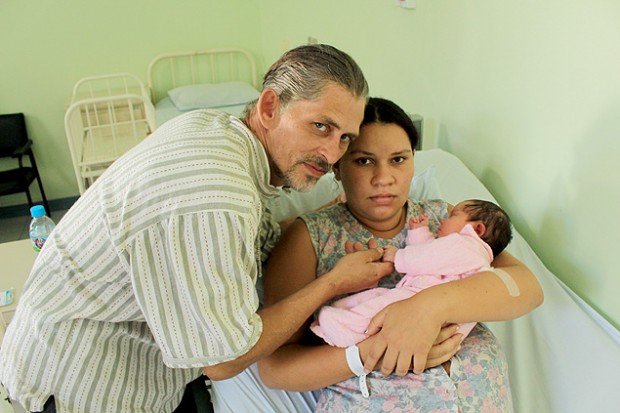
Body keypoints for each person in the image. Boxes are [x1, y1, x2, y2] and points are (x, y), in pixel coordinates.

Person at [0, 44, 398, 413]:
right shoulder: (213, 191)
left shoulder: (216, 133)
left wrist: (327, 218)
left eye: (345, 138)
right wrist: (330, 285)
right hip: (81, 387)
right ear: (270, 106)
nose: (332, 155)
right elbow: (223, 360)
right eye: (321, 127)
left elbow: (249, 240)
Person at [256, 97, 544, 412]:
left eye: (398, 159)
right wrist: (372, 351)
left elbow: (526, 288)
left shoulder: (445, 219)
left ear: (413, 160)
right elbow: (275, 368)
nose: (384, 178)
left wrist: (428, 307)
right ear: (337, 166)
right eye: (364, 161)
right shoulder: (309, 238)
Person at [310, 199, 513, 348]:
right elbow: (431, 256)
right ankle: (334, 317)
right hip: (420, 295)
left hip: (422, 300)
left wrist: (397, 256)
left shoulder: (468, 247)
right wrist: (419, 232)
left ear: (477, 229)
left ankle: (345, 333)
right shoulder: (458, 251)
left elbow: (427, 258)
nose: (444, 218)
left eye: (453, 216)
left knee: (379, 306)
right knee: (376, 298)